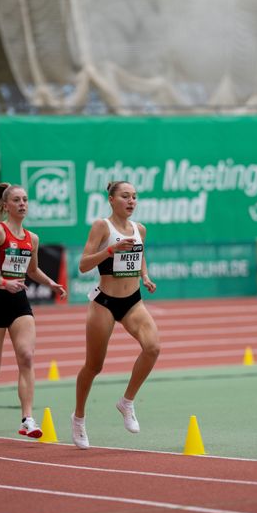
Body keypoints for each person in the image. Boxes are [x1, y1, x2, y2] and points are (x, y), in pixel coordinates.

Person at [0, 183, 67, 439]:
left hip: (19, 303)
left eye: (25, 200)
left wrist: (51, 283)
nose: (22, 204)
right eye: (17, 200)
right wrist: (3, 282)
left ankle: (27, 418)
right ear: (6, 206)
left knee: (26, 356)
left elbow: (32, 271)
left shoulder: (32, 238)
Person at [72, 181, 160, 449]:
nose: (131, 201)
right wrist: (110, 250)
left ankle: (127, 402)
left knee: (153, 347)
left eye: (134, 197)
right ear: (111, 199)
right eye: (125, 196)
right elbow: (84, 264)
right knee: (94, 366)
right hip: (105, 303)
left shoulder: (139, 229)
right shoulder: (102, 227)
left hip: (133, 301)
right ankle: (78, 418)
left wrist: (145, 276)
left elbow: (140, 254)